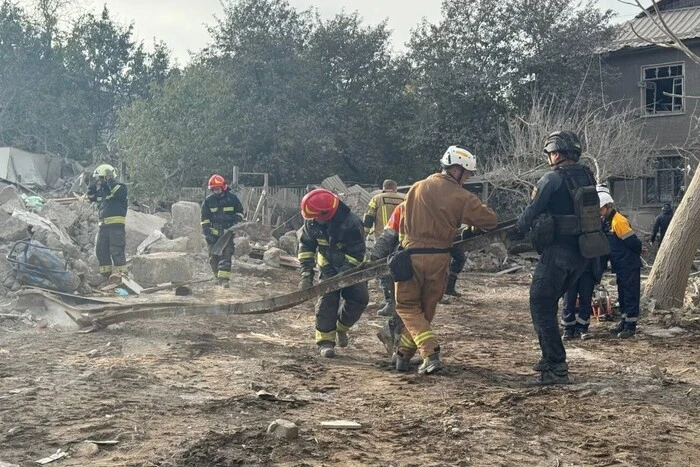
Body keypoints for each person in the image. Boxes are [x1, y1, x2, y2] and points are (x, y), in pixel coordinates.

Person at [509, 131, 602, 385]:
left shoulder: (551, 178)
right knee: (548, 303)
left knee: (540, 302)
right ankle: (550, 357)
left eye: (550, 153)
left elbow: (532, 211)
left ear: (557, 153)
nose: (549, 158)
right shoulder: (587, 176)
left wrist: (515, 233)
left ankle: (555, 366)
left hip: (558, 253)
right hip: (581, 255)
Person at [394, 146, 497, 375]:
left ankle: (427, 353)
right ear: (457, 169)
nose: (468, 178)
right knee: (426, 308)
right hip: (439, 259)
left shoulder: (416, 187)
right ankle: (404, 354)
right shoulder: (461, 196)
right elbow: (490, 221)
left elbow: (401, 224)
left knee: (408, 306)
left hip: (410, 256)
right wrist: (472, 226)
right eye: (467, 174)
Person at [297, 188, 369, 358]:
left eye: (315, 216)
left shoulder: (352, 223)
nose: (313, 219)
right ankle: (325, 342)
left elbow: (356, 253)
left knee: (360, 299)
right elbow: (306, 247)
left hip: (353, 268)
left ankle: (341, 327)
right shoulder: (312, 222)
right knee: (327, 301)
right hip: (328, 266)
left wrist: (342, 276)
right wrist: (306, 275)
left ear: (326, 214)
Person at [599, 190, 642, 339]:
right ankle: (624, 321)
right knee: (623, 295)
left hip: (628, 265)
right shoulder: (608, 222)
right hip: (621, 265)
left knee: (630, 295)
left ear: (608, 206)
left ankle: (630, 326)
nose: (600, 213)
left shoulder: (619, 222)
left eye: (601, 209)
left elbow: (634, 244)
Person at [365, 179, 406, 318]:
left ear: (383, 188)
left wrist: (364, 234)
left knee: (383, 270)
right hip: (401, 238)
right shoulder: (404, 198)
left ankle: (390, 302)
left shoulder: (377, 198)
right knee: (399, 269)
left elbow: (368, 218)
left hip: (383, 238)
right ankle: (400, 300)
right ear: (395, 188)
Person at [201, 174, 245, 288]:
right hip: (213, 234)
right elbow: (204, 219)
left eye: (218, 188)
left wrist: (237, 220)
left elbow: (240, 211)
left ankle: (224, 279)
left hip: (227, 234)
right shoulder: (208, 201)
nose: (216, 191)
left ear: (223, 187)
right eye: (214, 189)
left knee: (226, 255)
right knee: (213, 257)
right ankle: (216, 277)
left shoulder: (232, 198)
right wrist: (207, 233)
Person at [87, 164, 127, 281]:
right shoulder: (104, 192)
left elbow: (117, 192)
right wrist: (92, 186)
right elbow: (92, 197)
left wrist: (110, 180)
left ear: (107, 177)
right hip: (103, 228)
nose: (100, 180)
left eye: (101, 178)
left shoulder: (120, 187)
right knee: (101, 251)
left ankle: (122, 278)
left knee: (117, 251)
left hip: (116, 228)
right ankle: (106, 278)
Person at [561, 258, 603, 340]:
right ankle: (568, 329)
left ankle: (582, 328)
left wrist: (597, 273)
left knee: (586, 300)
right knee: (568, 300)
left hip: (587, 271)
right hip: (570, 271)